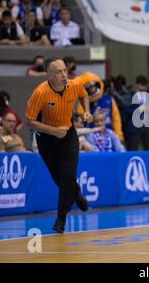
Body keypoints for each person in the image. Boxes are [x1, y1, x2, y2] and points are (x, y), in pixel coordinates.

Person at [25, 57, 92, 234]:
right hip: (47, 139)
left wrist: (87, 112)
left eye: (64, 70)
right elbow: (30, 121)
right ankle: (76, 194)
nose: (64, 74)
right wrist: (53, 131)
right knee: (59, 179)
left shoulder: (74, 85)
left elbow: (84, 94)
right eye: (58, 72)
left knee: (67, 175)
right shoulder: (40, 92)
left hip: (68, 134)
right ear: (49, 75)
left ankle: (60, 219)